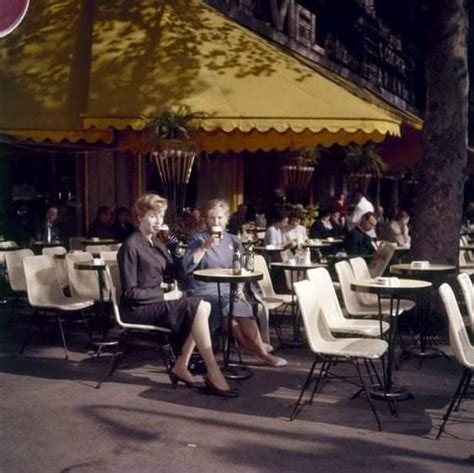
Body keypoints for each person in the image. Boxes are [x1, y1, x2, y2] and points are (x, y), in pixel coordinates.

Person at [117, 194, 235, 397]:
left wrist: (174, 250)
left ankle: (182, 365)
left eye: (161, 215)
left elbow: (181, 276)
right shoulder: (131, 245)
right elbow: (130, 293)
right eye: (153, 215)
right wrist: (165, 295)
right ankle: (213, 371)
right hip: (137, 309)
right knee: (198, 307)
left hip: (155, 303)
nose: (159, 221)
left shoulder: (157, 243)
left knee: (204, 306)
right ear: (139, 217)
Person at [184, 198, 287, 367]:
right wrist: (204, 247)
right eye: (212, 218)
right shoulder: (198, 238)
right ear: (206, 219)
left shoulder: (233, 240)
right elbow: (187, 267)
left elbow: (240, 268)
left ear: (226, 219)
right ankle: (262, 354)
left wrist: (239, 287)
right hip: (203, 288)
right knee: (226, 309)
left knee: (241, 310)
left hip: (228, 287)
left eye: (219, 218)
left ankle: (257, 349)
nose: (215, 222)